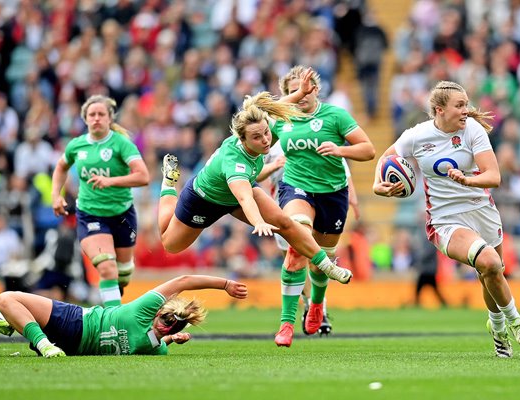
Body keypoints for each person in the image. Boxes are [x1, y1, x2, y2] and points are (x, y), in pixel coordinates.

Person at [373, 80, 520, 358]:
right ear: (439, 110)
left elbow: (493, 176)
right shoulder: (417, 136)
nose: (466, 111)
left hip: (481, 210)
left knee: (492, 272)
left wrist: (468, 180)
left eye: (466, 104)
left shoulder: (472, 130)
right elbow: (385, 159)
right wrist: (379, 185)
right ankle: (517, 324)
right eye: (459, 105)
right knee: (489, 262)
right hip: (445, 218)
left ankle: (497, 330)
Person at [156, 82, 352, 296]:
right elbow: (244, 198)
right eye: (257, 138)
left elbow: (277, 107)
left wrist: (300, 93)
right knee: (170, 244)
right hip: (204, 200)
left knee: (285, 222)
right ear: (243, 139)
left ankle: (327, 266)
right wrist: (258, 222)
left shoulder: (258, 130)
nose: (266, 140)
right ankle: (168, 183)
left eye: (267, 133)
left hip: (237, 193)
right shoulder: (234, 162)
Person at [269, 65, 375, 347]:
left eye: (305, 89)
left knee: (321, 262)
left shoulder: (336, 115)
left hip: (332, 194)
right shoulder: (281, 119)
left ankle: (316, 303)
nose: (300, 96)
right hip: (295, 188)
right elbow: (256, 125)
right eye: (293, 92)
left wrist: (341, 150)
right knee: (296, 249)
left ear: (316, 89)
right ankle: (286, 324)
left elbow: (368, 149)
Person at [0, 274, 247, 357]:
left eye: (174, 327)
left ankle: (14, 323)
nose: (168, 328)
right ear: (159, 311)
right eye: (167, 320)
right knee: (6, 298)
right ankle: (37, 339)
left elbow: (156, 344)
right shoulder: (142, 312)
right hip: (77, 321)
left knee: (9, 305)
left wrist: (171, 341)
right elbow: (184, 280)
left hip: (71, 345)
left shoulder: (155, 348)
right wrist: (224, 285)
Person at [51, 95, 149, 307]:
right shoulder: (76, 146)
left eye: (101, 114)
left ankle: (116, 292)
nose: (96, 118)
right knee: (107, 268)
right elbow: (61, 167)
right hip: (90, 214)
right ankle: (114, 321)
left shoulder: (122, 144)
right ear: (85, 119)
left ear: (109, 119)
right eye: (92, 114)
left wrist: (110, 181)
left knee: (123, 273)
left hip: (122, 214)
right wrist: (55, 196)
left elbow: (143, 176)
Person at [258, 141, 361, 337]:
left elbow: (342, 167)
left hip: (318, 200)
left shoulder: (310, 135)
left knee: (311, 256)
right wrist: (274, 165)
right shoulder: (270, 139)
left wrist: (352, 196)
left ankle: (317, 308)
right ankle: (309, 306)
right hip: (281, 205)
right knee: (295, 259)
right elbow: (255, 172)